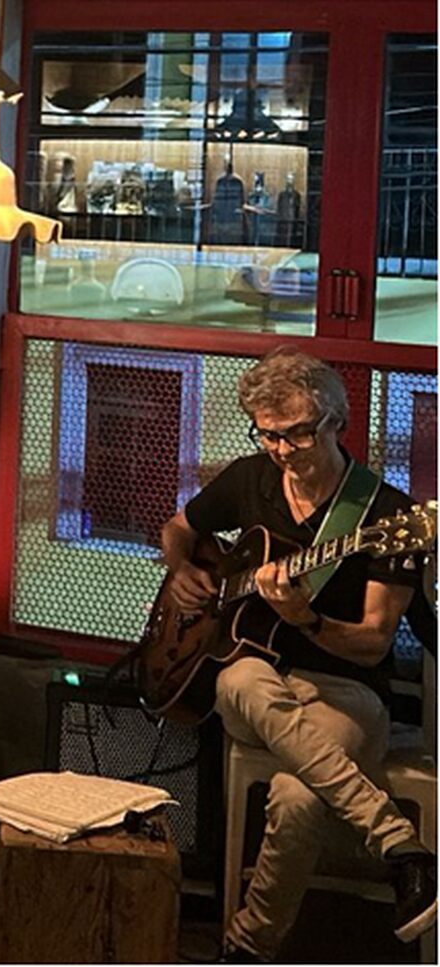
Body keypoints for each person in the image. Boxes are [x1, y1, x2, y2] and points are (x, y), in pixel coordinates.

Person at [160, 347, 436, 962]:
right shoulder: (250, 478)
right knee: (245, 680)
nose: (283, 450)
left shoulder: (386, 515)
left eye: (298, 434)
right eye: (269, 435)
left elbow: (373, 642)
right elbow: (178, 529)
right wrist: (181, 569)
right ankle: (399, 843)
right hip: (256, 684)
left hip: (346, 694)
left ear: (337, 422)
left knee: (299, 796)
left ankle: (246, 948)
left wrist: (304, 618)